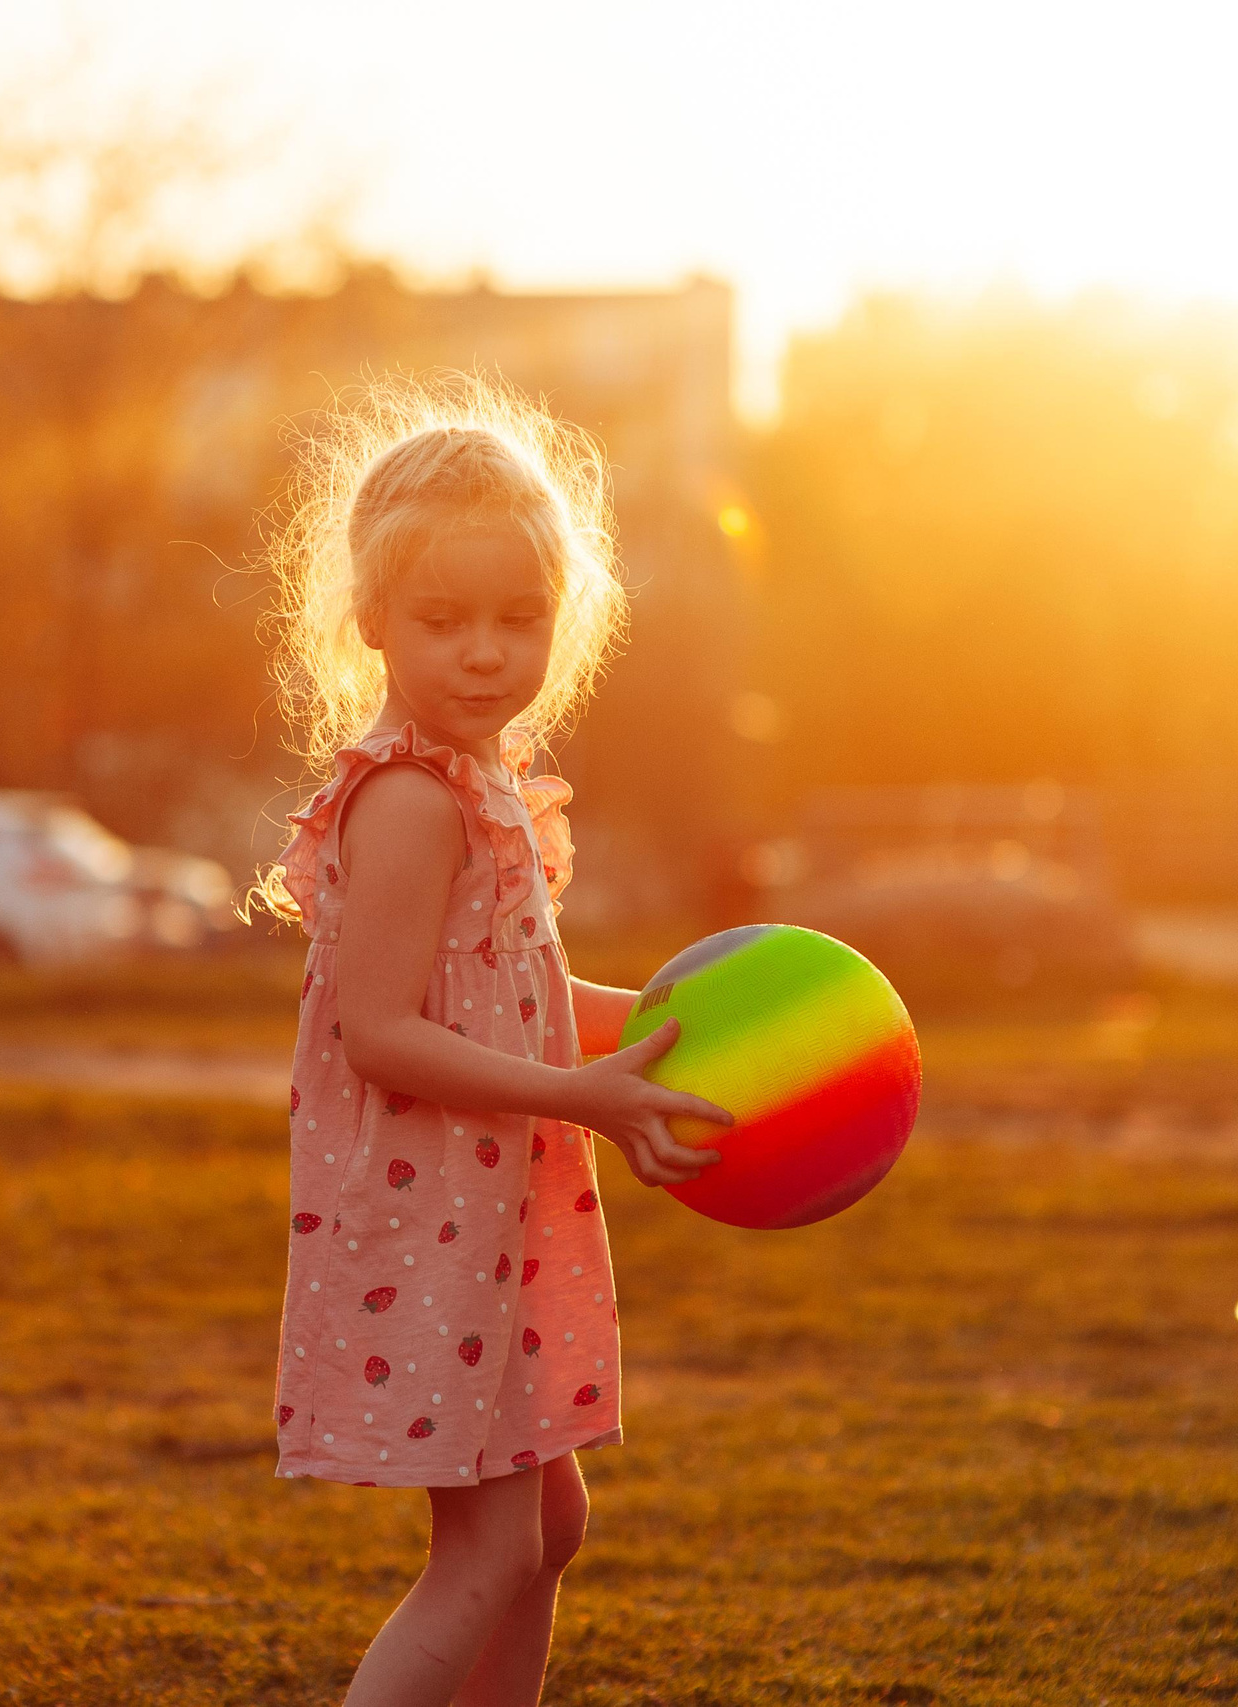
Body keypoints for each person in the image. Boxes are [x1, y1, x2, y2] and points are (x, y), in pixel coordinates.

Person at [248, 376, 735, 1707]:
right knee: (484, 1553)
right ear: (371, 621)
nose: (483, 652)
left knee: (547, 1528)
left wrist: (689, 1026)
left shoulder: (484, 781)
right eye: (442, 619)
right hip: (430, 1216)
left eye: (518, 619)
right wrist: (580, 1095)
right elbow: (384, 1033)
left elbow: (517, 991)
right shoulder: (409, 799)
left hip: (493, 1204)